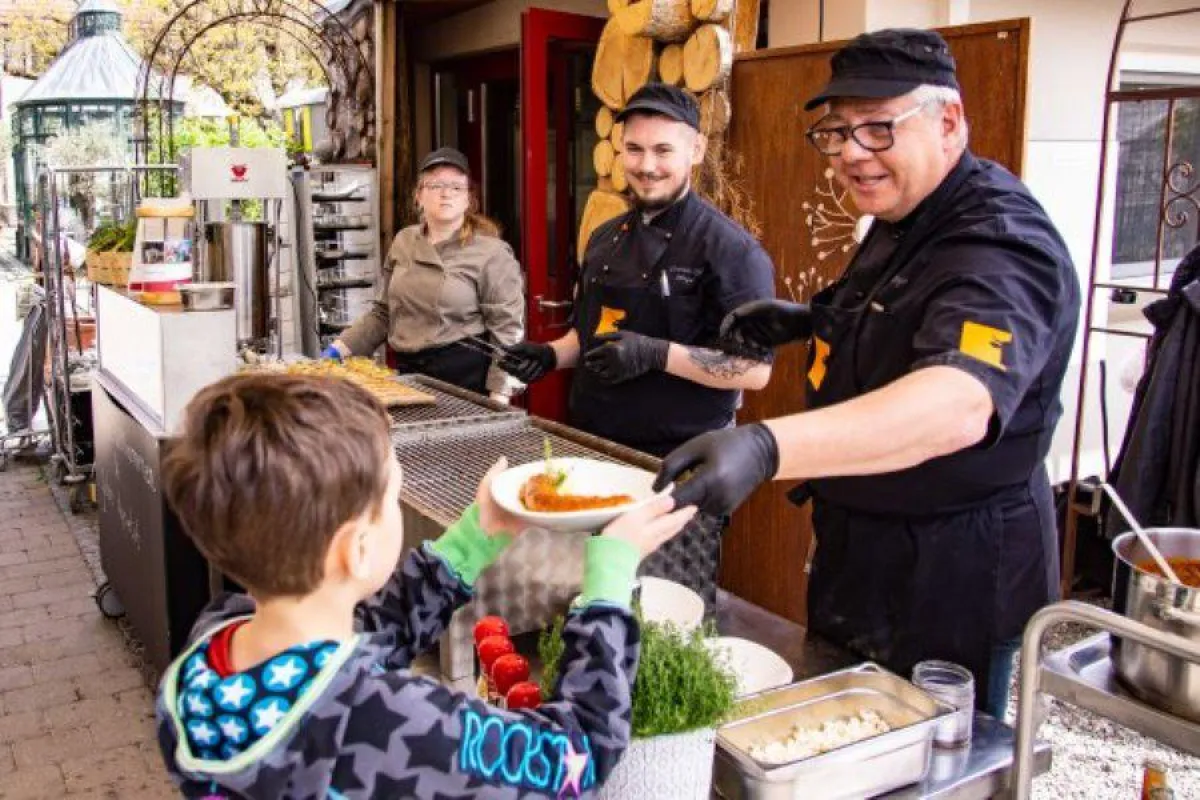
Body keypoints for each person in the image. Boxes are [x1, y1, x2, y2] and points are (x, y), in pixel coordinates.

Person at [654, 29, 1081, 718]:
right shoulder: (902, 210)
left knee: (941, 767)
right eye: (839, 131)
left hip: (955, 575)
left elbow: (957, 402)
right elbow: (909, 319)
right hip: (862, 552)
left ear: (949, 122)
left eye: (879, 128)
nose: (852, 152)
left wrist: (767, 447)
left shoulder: (999, 240)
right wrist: (810, 322)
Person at [155, 372, 696, 797]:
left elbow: (361, 640)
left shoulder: (203, 656)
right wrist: (607, 584)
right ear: (357, 548)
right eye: (392, 498)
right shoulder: (395, 723)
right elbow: (573, 757)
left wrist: (472, 541)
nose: (395, 505)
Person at [498, 84, 775, 607]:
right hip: (594, 452)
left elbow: (753, 369)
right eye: (635, 150)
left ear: (694, 150)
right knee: (587, 602)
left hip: (677, 469)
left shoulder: (732, 251)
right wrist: (550, 355)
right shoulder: (605, 237)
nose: (646, 165)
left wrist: (655, 353)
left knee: (664, 615)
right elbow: (591, 331)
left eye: (663, 150)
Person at [326, 147, 524, 401]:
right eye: (435, 186)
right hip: (407, 373)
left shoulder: (491, 252)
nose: (445, 194)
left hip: (465, 378)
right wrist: (339, 349)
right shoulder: (404, 241)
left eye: (456, 187)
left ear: (468, 199)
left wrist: (500, 395)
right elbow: (383, 313)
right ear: (418, 195)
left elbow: (507, 330)